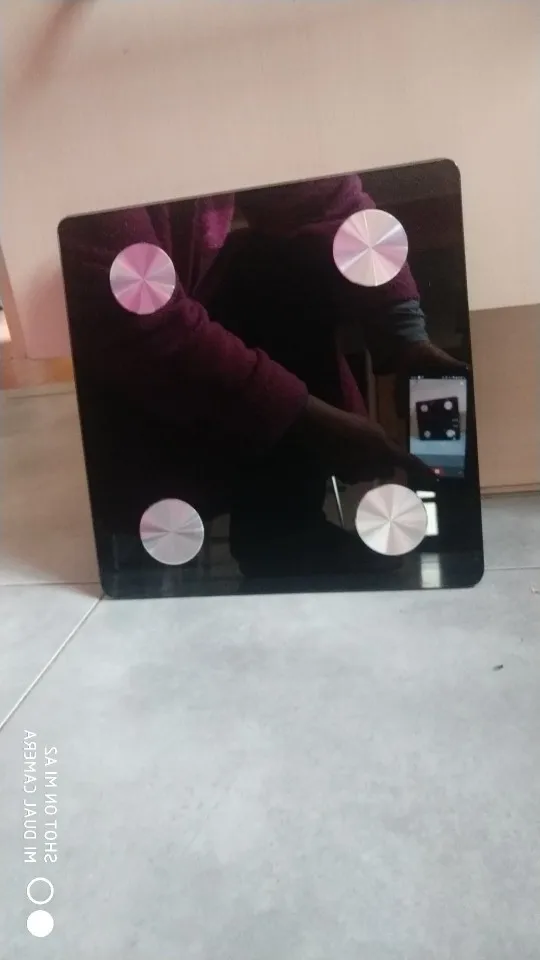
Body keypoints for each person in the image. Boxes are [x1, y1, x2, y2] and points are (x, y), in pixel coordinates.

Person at [59, 174, 461, 578]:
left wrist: (405, 335)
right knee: (265, 269)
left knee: (281, 261)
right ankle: (260, 539)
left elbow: (330, 203)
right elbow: (143, 327)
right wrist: (304, 418)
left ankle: (285, 533)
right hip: (118, 393)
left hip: (168, 352)